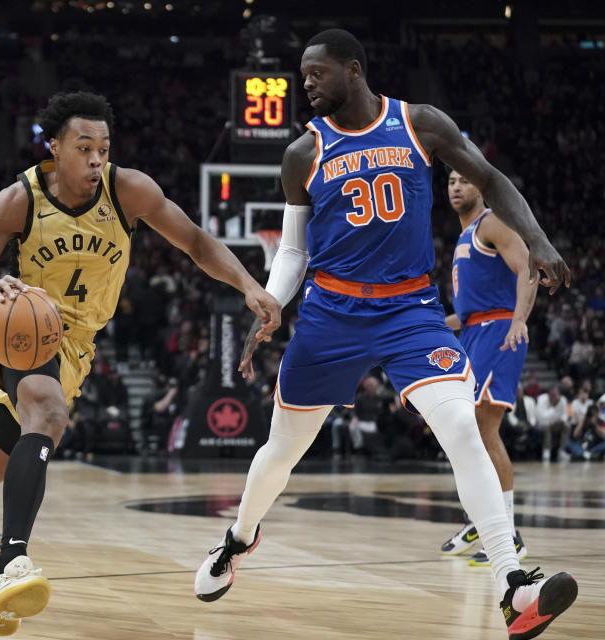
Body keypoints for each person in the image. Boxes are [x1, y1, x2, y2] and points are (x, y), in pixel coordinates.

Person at [0, 91, 281, 636]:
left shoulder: (128, 190)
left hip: (78, 348)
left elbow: (194, 241)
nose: (96, 159)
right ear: (54, 148)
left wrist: (250, 285)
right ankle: (8, 568)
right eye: (84, 147)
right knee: (46, 413)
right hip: (24, 330)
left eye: (103, 148)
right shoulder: (18, 199)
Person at [193, 29, 576, 639]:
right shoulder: (302, 153)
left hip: (410, 312)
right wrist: (268, 304)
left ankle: (513, 585)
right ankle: (239, 538)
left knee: (461, 427)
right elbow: (293, 251)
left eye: (316, 72)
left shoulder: (418, 122)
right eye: (302, 74)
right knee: (282, 453)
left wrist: (538, 239)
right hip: (330, 314)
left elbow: (492, 180)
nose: (306, 83)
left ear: (353, 69)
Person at [438, 169, 537, 567]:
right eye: (450, 181)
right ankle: (480, 520)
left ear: (481, 186)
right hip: (473, 333)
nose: (457, 186)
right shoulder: (463, 237)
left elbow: (528, 266)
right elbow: (466, 314)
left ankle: (508, 534)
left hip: (499, 331)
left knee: (482, 428)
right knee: (460, 432)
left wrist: (518, 320)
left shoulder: (491, 222)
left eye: (464, 179)